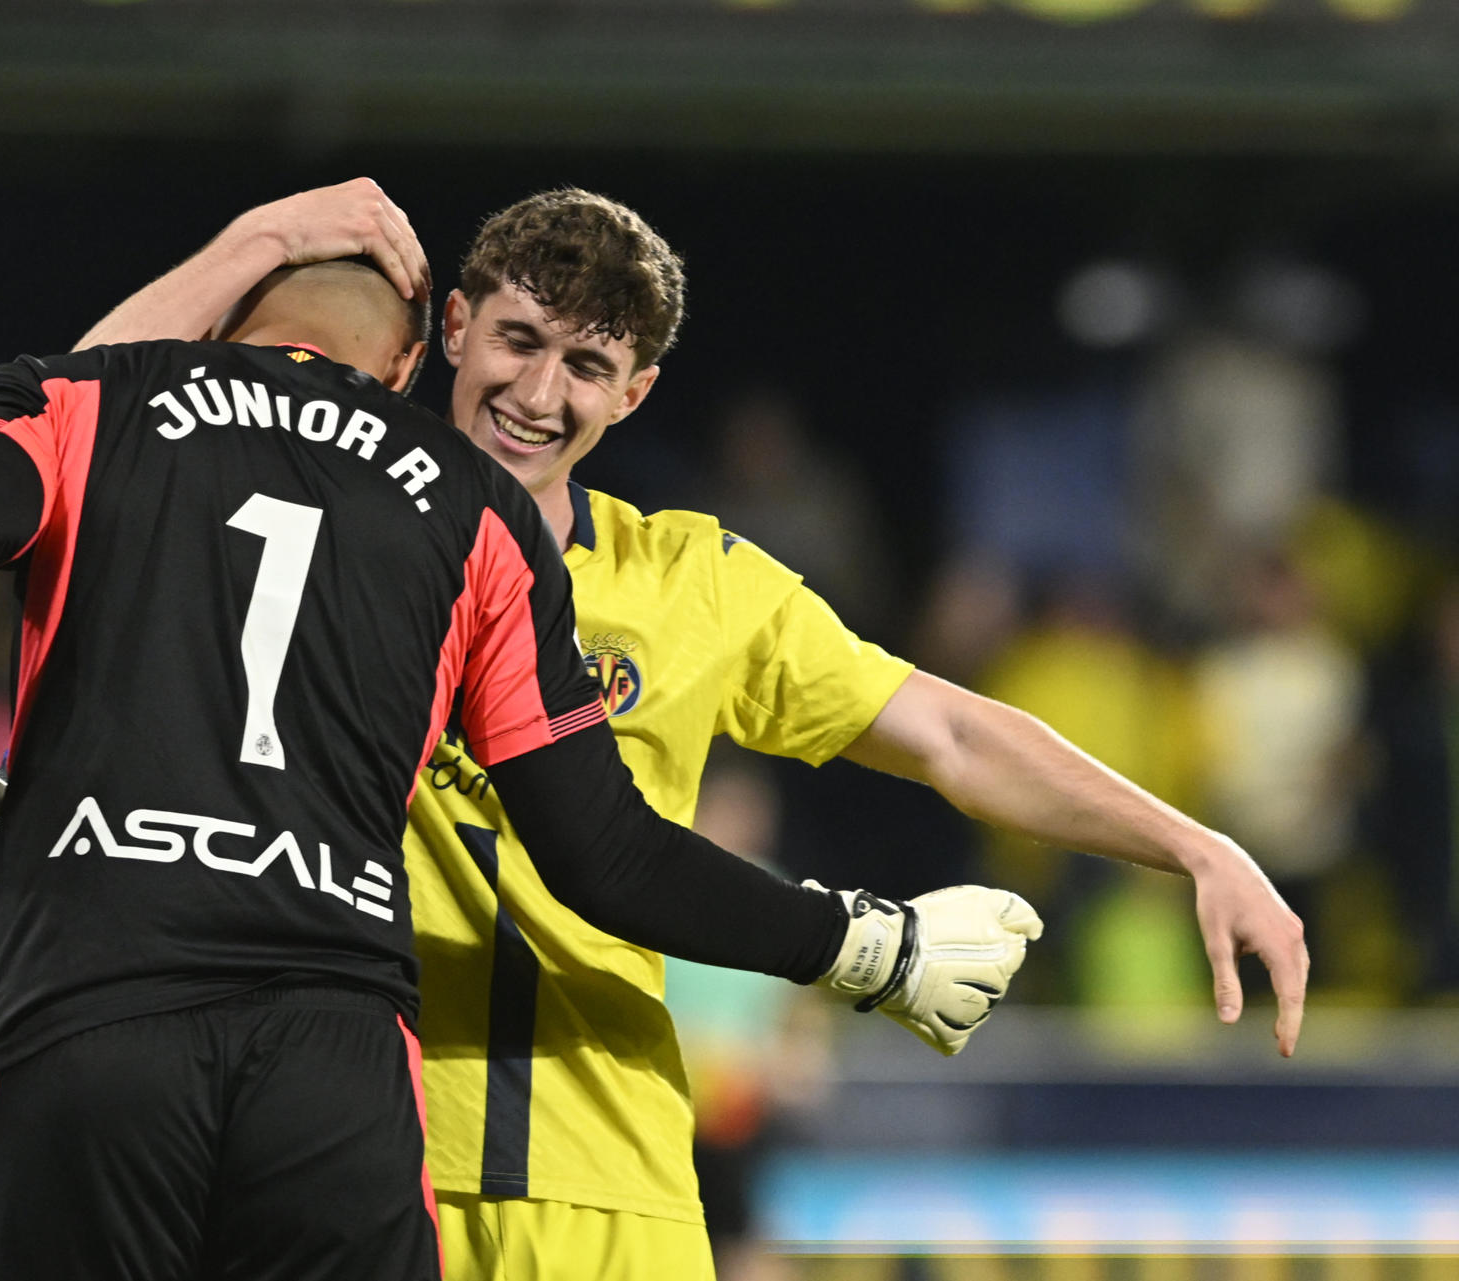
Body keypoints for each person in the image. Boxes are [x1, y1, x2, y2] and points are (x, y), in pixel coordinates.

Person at [77, 179, 1312, 1281]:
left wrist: (1196, 845)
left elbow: (951, 735)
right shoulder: (302, 515)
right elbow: (76, 423)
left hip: (619, 1185)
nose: (537, 394)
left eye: (587, 367)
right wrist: (265, 239)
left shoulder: (691, 583)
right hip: (346, 1159)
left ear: (638, 392)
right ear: (451, 326)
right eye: (515, 340)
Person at [0, 254, 1042, 1280]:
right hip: (338, 1063)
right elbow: (605, 849)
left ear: (221, 330)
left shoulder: (103, 399)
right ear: (415, 361)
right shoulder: (475, 511)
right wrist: (865, 945)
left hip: (94, 1003)